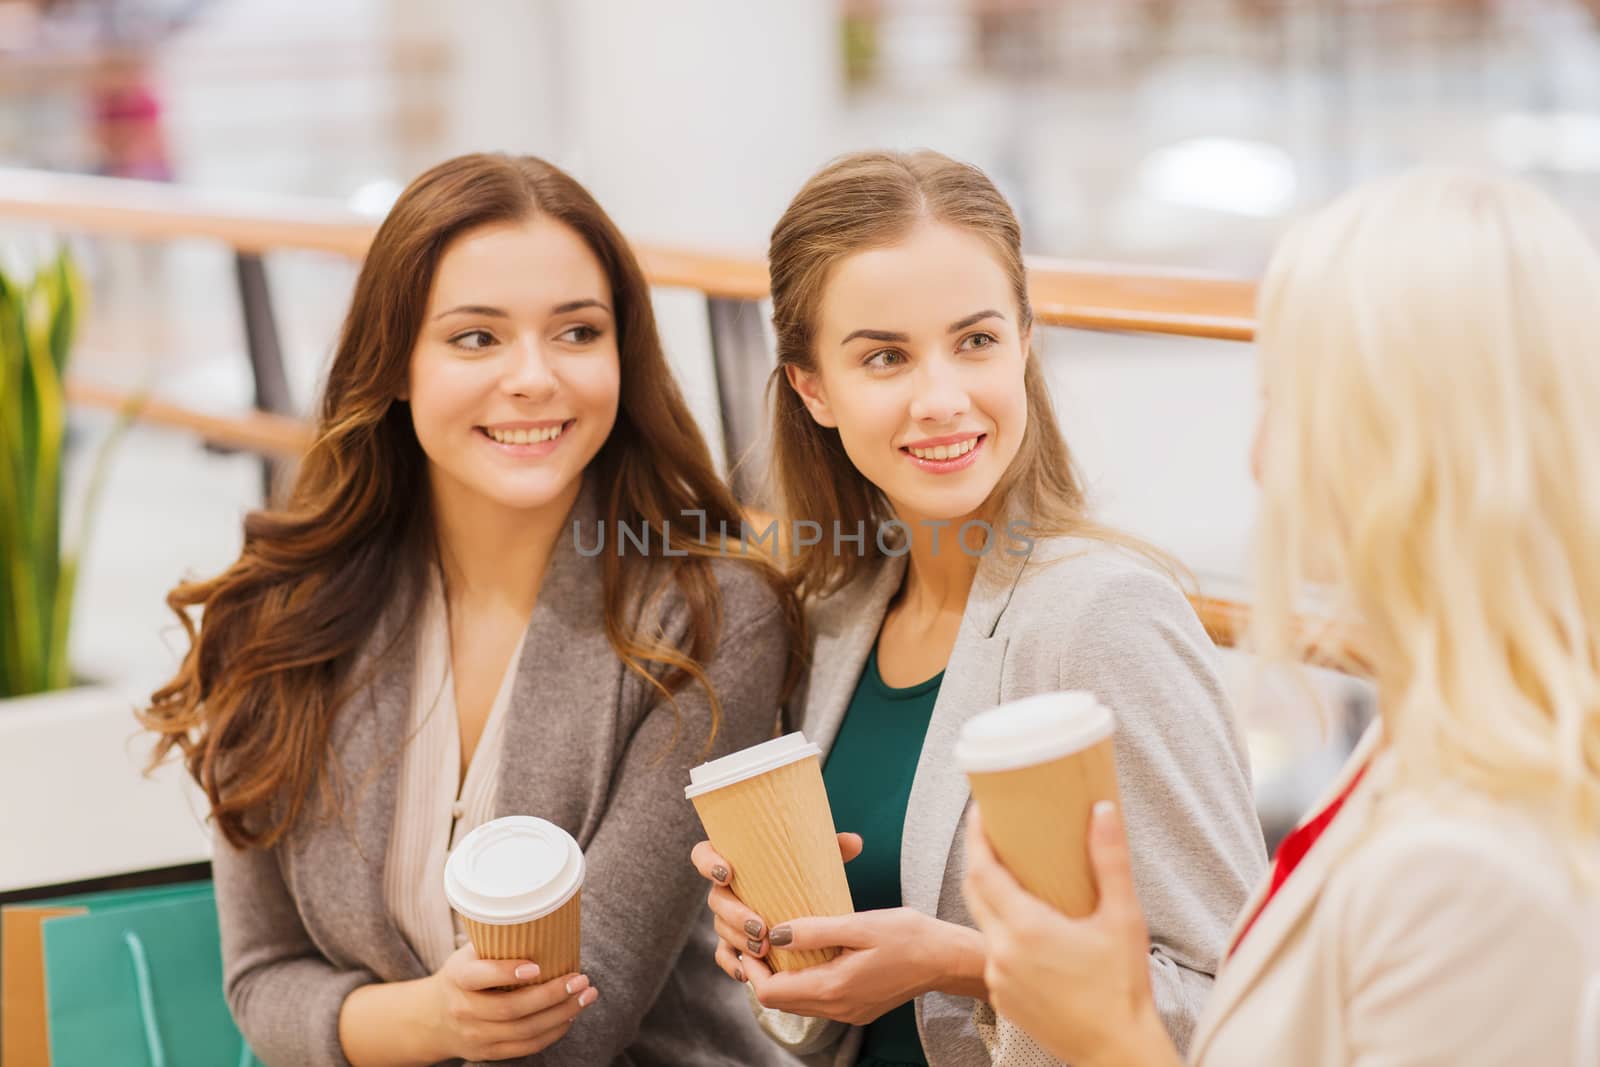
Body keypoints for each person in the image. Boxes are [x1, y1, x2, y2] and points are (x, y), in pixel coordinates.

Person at [142, 153, 803, 1067]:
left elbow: (576, 1020)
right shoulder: (282, 613)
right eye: (476, 338)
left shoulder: (710, 615)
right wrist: (432, 1020)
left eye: (577, 332)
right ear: (399, 365)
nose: (533, 378)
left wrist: (419, 1024)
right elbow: (263, 979)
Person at [964, 169, 1600, 1067]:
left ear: (1403, 447)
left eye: (1285, 401)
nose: (1260, 459)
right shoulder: (1433, 740)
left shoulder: (1481, 873)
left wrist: (1110, 1038)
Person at [690, 149, 1268, 1066]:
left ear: (1025, 343)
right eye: (885, 356)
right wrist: (774, 941)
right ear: (813, 388)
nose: (943, 399)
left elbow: (1242, 1007)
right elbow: (826, 1014)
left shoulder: (1105, 615)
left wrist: (963, 965)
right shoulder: (837, 613)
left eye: (976, 341)